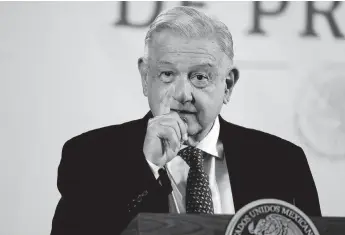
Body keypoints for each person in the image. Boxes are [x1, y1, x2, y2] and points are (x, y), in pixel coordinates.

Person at [50, 6, 321, 235]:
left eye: (200, 77)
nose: (182, 94)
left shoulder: (284, 162)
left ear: (227, 86)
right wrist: (147, 169)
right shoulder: (89, 156)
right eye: (167, 74)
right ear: (146, 78)